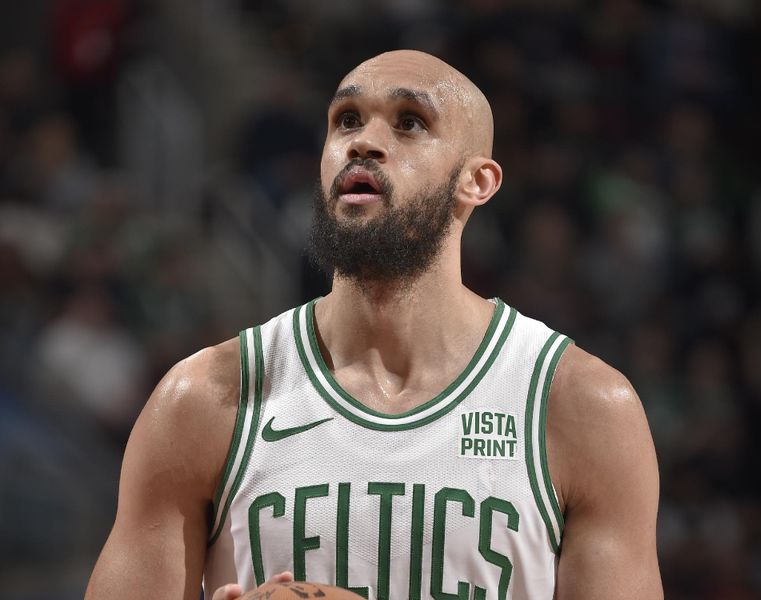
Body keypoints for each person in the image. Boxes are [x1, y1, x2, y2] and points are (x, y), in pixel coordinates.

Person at [85, 50, 663, 600]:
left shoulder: (581, 406)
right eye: (346, 120)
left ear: (477, 181)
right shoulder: (203, 400)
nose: (363, 141)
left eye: (409, 123)